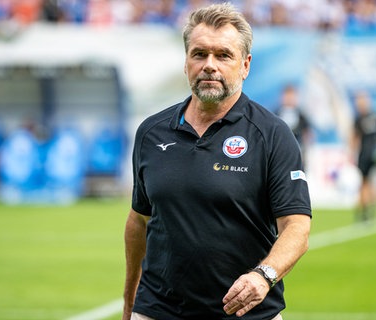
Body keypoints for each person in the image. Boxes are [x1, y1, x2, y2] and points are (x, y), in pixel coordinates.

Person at [123, 3, 312, 320]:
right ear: (186, 63)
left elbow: (297, 227)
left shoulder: (273, 134)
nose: (209, 65)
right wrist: (130, 301)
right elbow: (138, 221)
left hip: (248, 313)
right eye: (199, 54)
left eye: (223, 55)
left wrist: (263, 275)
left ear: (245, 65)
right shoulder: (151, 133)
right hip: (159, 312)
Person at [349, 90, 376, 222]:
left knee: (364, 183)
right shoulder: (375, 116)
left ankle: (364, 213)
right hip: (374, 153)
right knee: (370, 182)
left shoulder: (359, 118)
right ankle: (372, 210)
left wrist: (351, 153)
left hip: (365, 154)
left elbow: (354, 138)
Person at [274, 84, 312, 170]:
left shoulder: (302, 116)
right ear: (282, 97)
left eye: (292, 96)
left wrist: (305, 152)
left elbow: (308, 135)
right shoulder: (275, 115)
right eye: (287, 96)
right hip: (279, 154)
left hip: (298, 153)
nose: (289, 99)